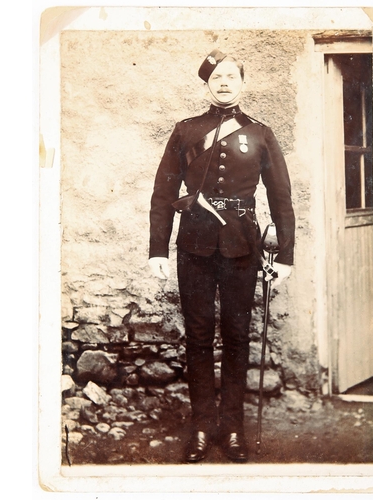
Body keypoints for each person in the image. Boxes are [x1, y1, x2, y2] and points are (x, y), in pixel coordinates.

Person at [148, 49, 295, 463]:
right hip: (193, 245)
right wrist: (158, 248)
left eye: (232, 76)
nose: (225, 82)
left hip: (241, 248)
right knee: (196, 336)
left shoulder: (261, 133)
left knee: (235, 336)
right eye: (217, 77)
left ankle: (232, 428)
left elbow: (281, 197)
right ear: (207, 84)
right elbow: (163, 193)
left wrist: (285, 254)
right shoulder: (186, 130)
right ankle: (200, 427)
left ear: (243, 83)